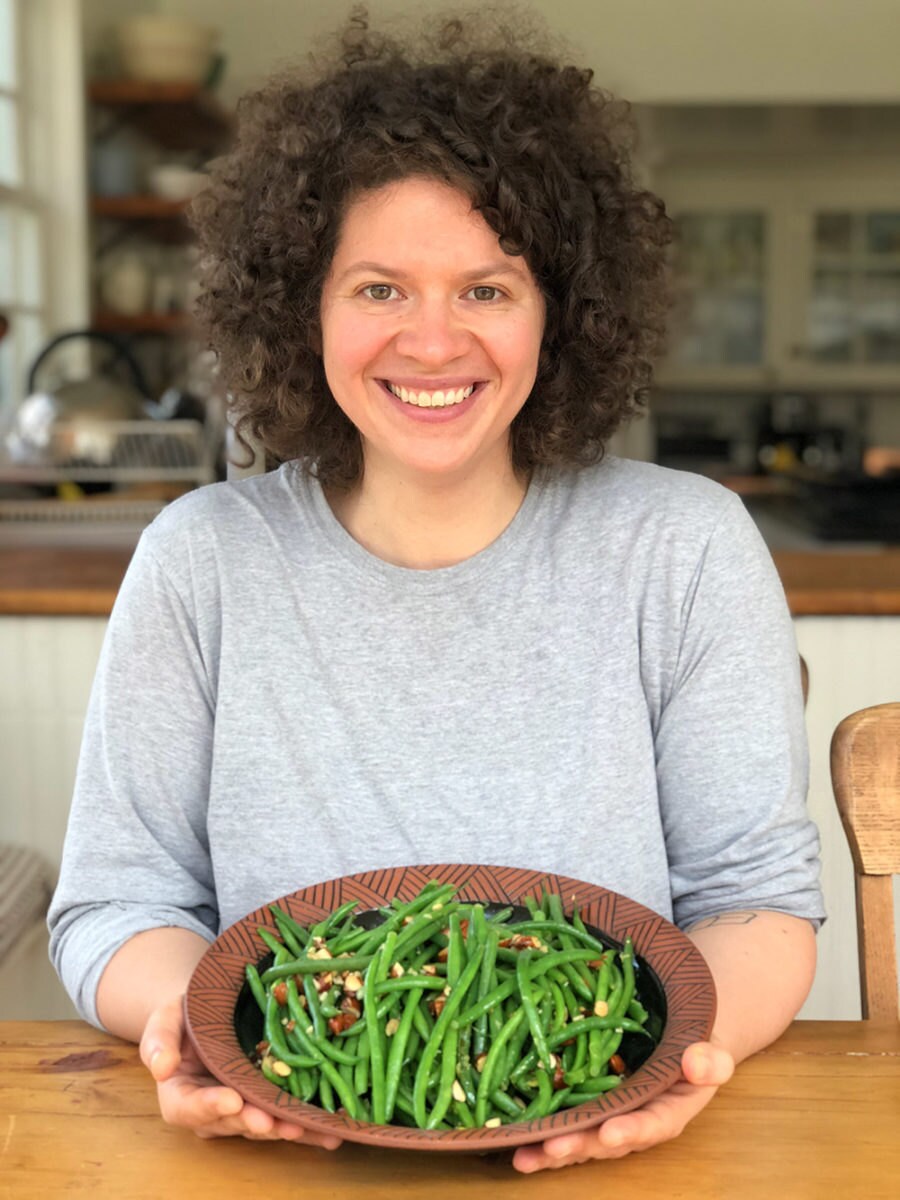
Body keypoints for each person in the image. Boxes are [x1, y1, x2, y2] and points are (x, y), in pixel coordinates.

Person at [49, 7, 824, 1173]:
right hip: (274, 1157)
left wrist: (672, 1060)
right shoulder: (201, 559)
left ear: (560, 314)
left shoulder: (686, 549)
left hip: (612, 1145)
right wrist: (200, 1035)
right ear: (299, 307)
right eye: (377, 289)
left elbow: (757, 902)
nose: (431, 341)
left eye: (487, 289)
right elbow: (114, 904)